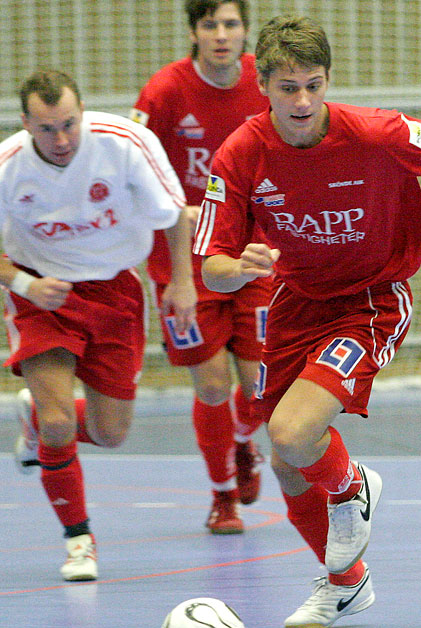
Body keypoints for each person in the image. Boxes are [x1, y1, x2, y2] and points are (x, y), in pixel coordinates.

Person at [194, 15, 421, 628]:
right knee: (285, 460)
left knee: (295, 434)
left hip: (371, 300)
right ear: (264, 86)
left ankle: (353, 487)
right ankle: (347, 583)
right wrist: (238, 267)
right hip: (297, 302)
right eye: (287, 87)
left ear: (327, 83)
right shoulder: (240, 154)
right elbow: (211, 269)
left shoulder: (375, 134)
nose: (302, 101)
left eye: (313, 85)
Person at [0, 70, 195, 581]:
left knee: (111, 433)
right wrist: (22, 284)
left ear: (83, 111)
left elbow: (176, 216)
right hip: (42, 294)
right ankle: (79, 540)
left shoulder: (125, 144)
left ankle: (35, 420)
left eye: (69, 124)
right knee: (61, 421)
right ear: (25, 124)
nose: (61, 140)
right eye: (46, 129)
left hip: (114, 290)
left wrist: (182, 283)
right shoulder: (8, 166)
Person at [131, 0, 271, 535]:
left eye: (231, 24)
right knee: (212, 386)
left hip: (252, 252)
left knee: (262, 386)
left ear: (244, 31)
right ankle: (223, 498)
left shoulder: (266, 81)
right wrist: (181, 269)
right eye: (210, 24)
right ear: (193, 31)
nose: (221, 34)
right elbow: (134, 170)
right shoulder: (164, 92)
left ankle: (241, 441)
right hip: (182, 257)